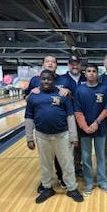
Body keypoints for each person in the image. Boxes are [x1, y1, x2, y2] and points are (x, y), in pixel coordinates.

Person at [25, 69, 83, 204]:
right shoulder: (34, 96)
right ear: (40, 79)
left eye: (49, 79)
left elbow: (70, 116)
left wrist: (74, 137)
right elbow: (28, 117)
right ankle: (47, 188)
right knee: (45, 164)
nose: (46, 81)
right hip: (42, 136)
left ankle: (72, 188)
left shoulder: (62, 94)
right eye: (44, 79)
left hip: (62, 135)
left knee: (67, 163)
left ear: (53, 80)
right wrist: (29, 138)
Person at [74, 64, 107, 194]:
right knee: (86, 157)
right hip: (85, 131)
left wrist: (96, 122)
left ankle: (102, 181)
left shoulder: (104, 89)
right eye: (88, 71)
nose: (91, 73)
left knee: (101, 157)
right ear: (85, 74)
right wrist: (85, 127)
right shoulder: (79, 90)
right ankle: (89, 182)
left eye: (94, 71)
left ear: (97, 73)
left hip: (100, 129)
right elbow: (77, 111)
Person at [62, 56, 87, 177]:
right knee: (68, 144)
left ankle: (78, 166)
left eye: (77, 64)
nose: (75, 66)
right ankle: (66, 168)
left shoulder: (86, 77)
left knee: (80, 144)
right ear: (68, 65)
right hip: (67, 117)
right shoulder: (61, 79)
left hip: (84, 116)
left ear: (80, 65)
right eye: (72, 64)